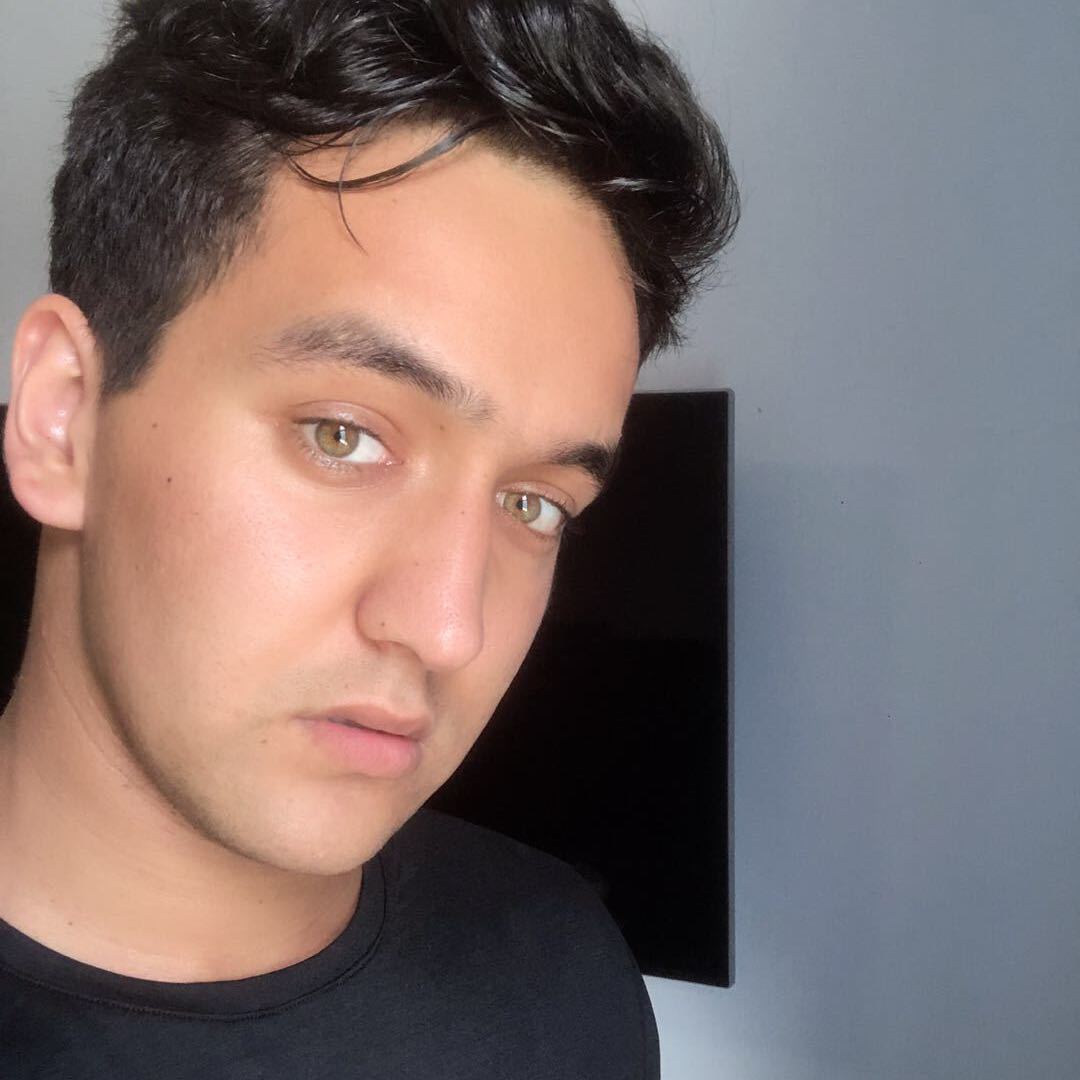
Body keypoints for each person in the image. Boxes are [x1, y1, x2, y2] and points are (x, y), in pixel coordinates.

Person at [0, 1, 737, 1075]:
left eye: (534, 504)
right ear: (63, 416)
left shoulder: (561, 975)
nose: (447, 629)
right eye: (343, 436)